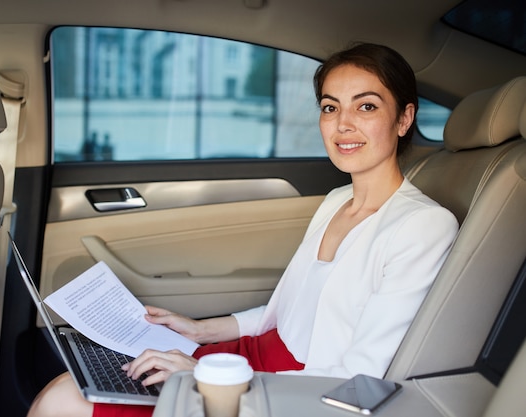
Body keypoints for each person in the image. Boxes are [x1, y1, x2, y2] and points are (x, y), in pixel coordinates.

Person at [27, 42, 459, 417]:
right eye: (330, 107)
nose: (343, 124)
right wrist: (202, 331)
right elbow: (289, 315)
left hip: (295, 391)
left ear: (403, 119)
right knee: (72, 383)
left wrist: (205, 374)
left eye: (366, 106)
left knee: (62, 404)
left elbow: (359, 377)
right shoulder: (335, 202)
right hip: (256, 357)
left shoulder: (423, 226)